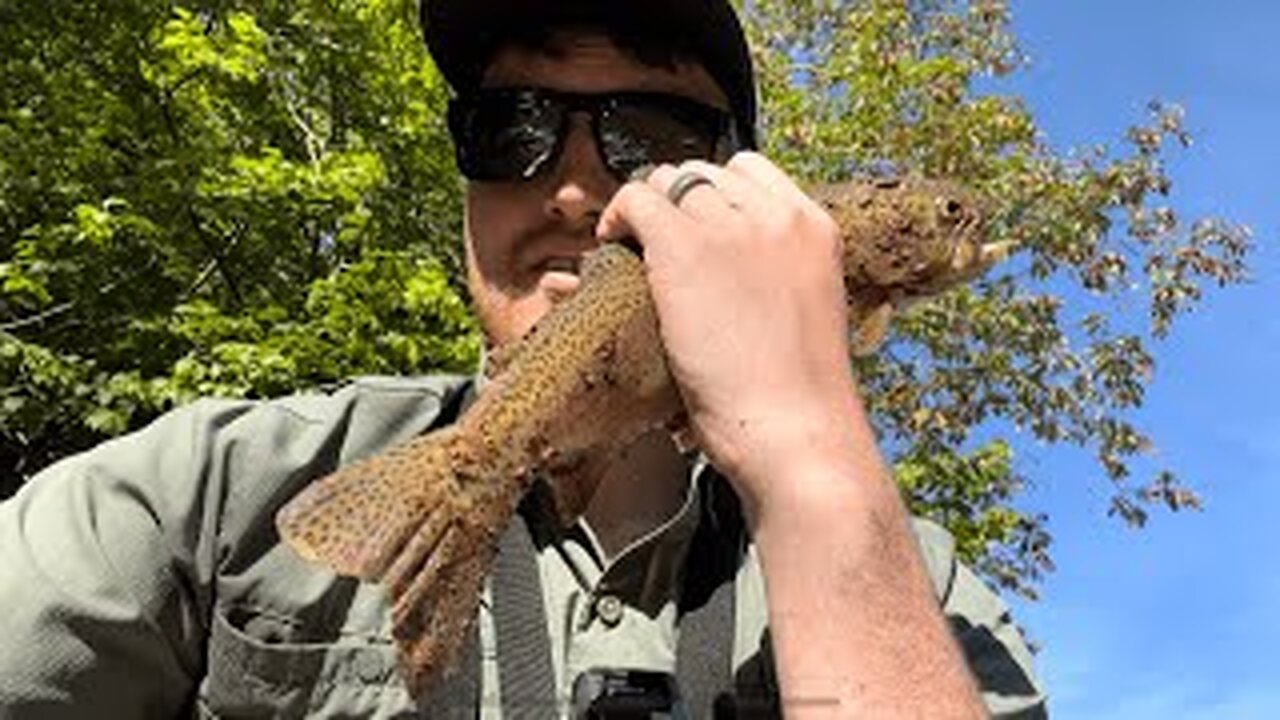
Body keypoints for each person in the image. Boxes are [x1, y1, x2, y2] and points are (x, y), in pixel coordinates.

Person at [0, 1, 1046, 717]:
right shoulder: (207, 493)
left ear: (749, 198)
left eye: (646, 130)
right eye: (511, 129)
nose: (576, 192)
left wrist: (809, 455)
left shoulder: (924, 586)